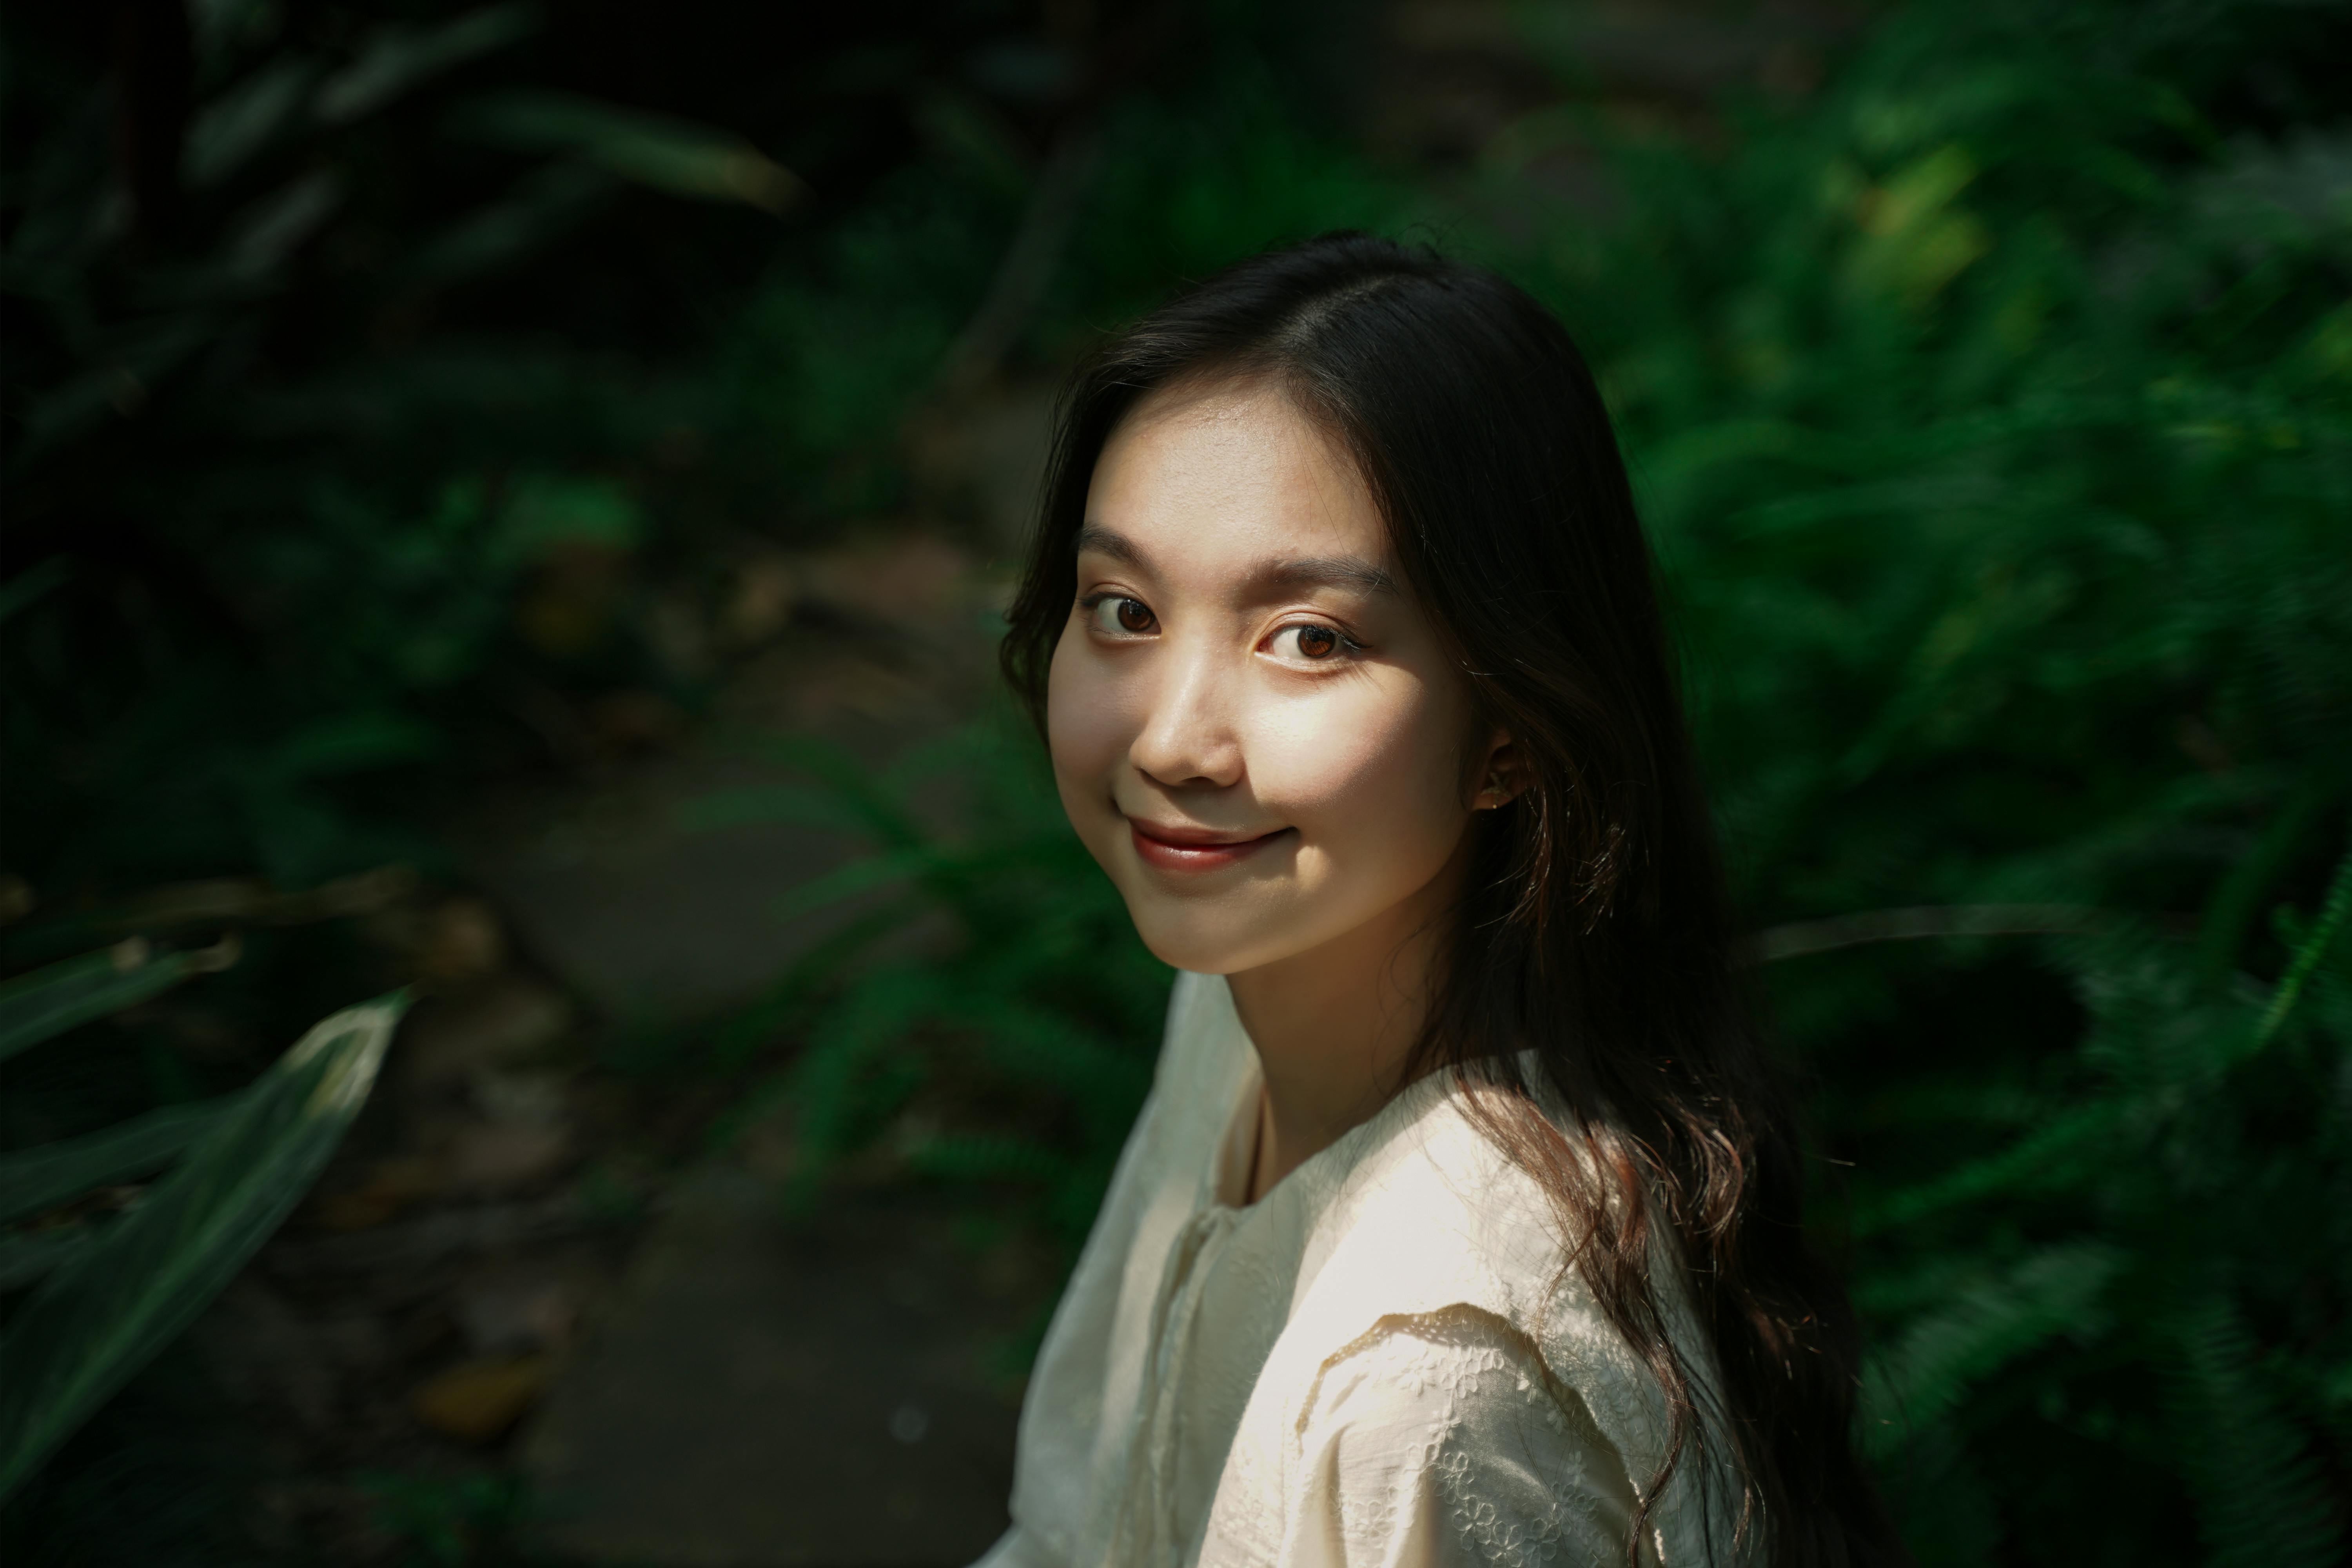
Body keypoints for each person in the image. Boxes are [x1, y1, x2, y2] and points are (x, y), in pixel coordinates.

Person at [973, 234, 1902, 1568]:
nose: (1174, 740)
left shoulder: (1435, 1382)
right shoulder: (1233, 1012)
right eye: (1123, 609)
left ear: (1513, 731)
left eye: (1310, 640)